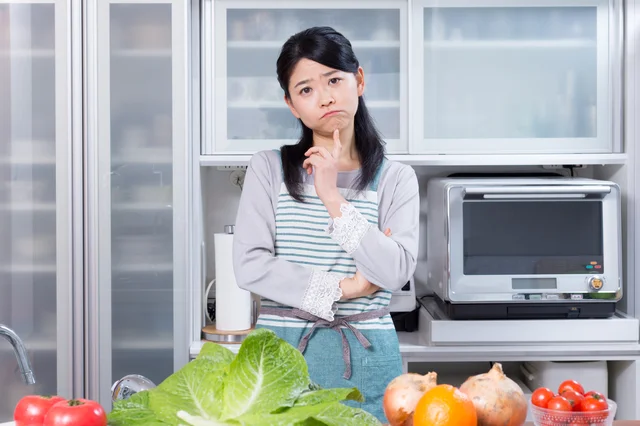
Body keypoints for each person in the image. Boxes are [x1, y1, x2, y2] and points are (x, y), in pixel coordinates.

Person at [232, 26, 419, 422]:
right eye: (306, 89)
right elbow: (250, 265)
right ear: (291, 104)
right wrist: (346, 287)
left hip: (367, 355)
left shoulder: (396, 178)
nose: (326, 96)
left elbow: (393, 271)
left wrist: (331, 196)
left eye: (334, 79)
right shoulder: (268, 168)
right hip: (282, 352)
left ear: (359, 80)